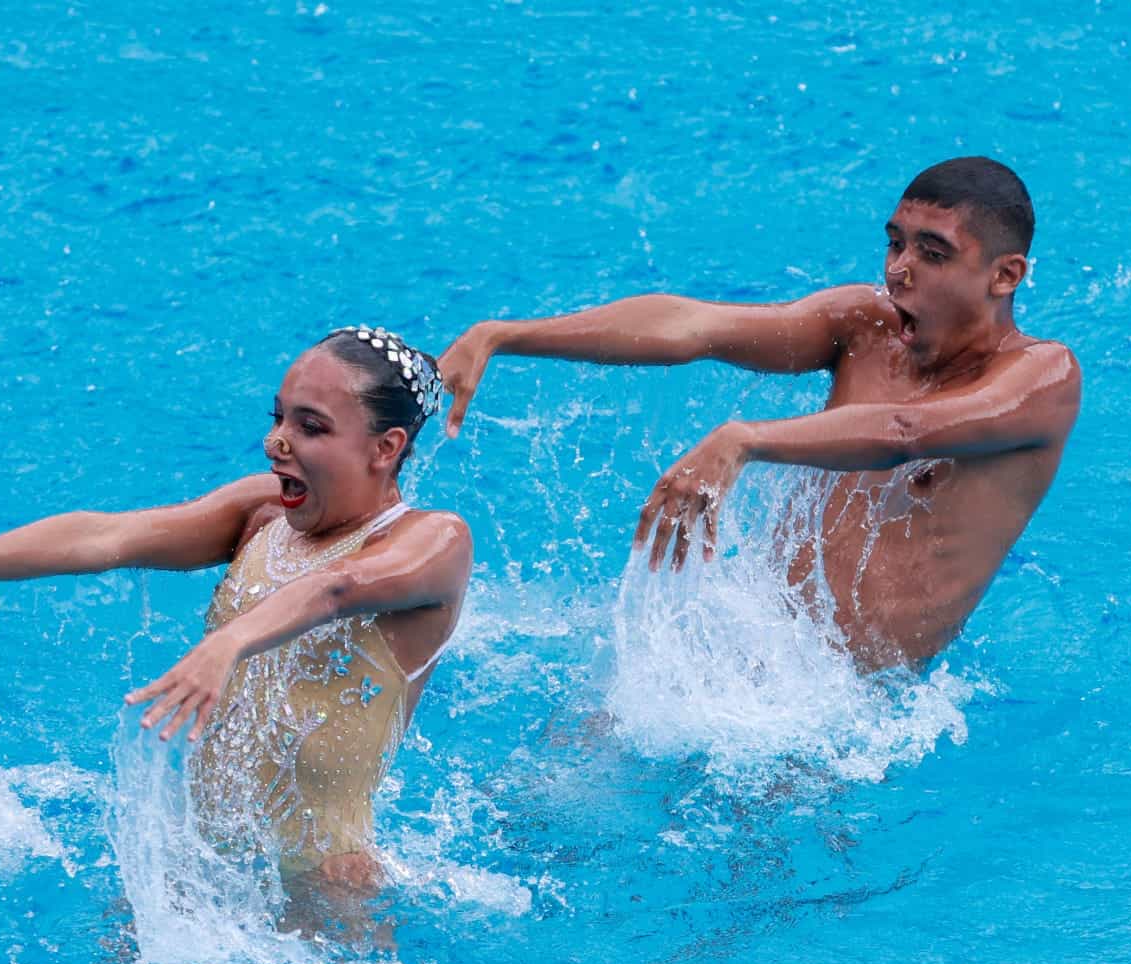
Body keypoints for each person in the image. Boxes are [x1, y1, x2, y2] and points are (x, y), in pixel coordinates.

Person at [0, 326, 472, 893]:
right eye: (276, 417)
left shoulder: (434, 541)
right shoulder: (262, 511)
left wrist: (227, 642)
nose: (276, 442)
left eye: (310, 426)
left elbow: (340, 586)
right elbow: (108, 536)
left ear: (384, 448)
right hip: (194, 871)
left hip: (321, 884)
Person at [436, 156, 1080, 671]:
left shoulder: (1042, 379)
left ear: (1005, 275)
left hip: (849, 714)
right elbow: (696, 325)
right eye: (894, 244)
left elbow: (904, 431)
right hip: (744, 646)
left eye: (932, 254)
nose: (898, 271)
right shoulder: (865, 324)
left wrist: (744, 439)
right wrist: (503, 334)